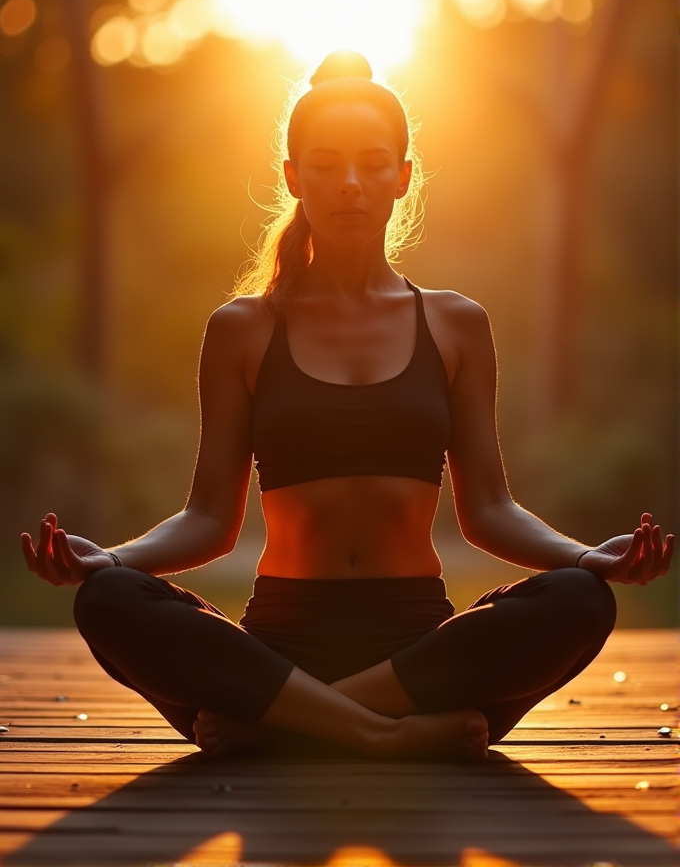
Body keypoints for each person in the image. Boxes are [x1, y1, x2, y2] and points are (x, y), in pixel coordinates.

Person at [21, 51, 674, 763]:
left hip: (414, 646)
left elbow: (488, 510)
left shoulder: (456, 324)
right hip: (280, 644)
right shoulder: (243, 328)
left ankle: (284, 726)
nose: (351, 185)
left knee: (582, 600)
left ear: (402, 177)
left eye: (371, 163)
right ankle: (386, 734)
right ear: (294, 179)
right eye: (326, 165)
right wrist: (109, 559)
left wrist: (587, 556)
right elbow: (210, 520)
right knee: (108, 601)